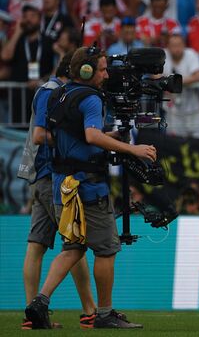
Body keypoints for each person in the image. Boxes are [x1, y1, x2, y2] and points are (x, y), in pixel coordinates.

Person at [24, 46, 157, 329]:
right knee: (106, 249)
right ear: (86, 71)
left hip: (62, 185)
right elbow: (91, 135)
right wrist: (131, 149)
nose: (107, 74)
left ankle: (39, 301)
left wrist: (111, 136)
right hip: (88, 186)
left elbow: (74, 137)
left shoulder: (59, 94)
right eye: (102, 69)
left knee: (73, 247)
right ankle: (105, 313)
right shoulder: (92, 98)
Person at [19, 54, 96, 330]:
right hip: (51, 175)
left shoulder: (47, 91)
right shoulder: (52, 93)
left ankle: (32, 315)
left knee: (37, 245)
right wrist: (71, 139)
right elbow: (40, 135)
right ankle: (89, 311)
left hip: (41, 176)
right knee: (73, 242)